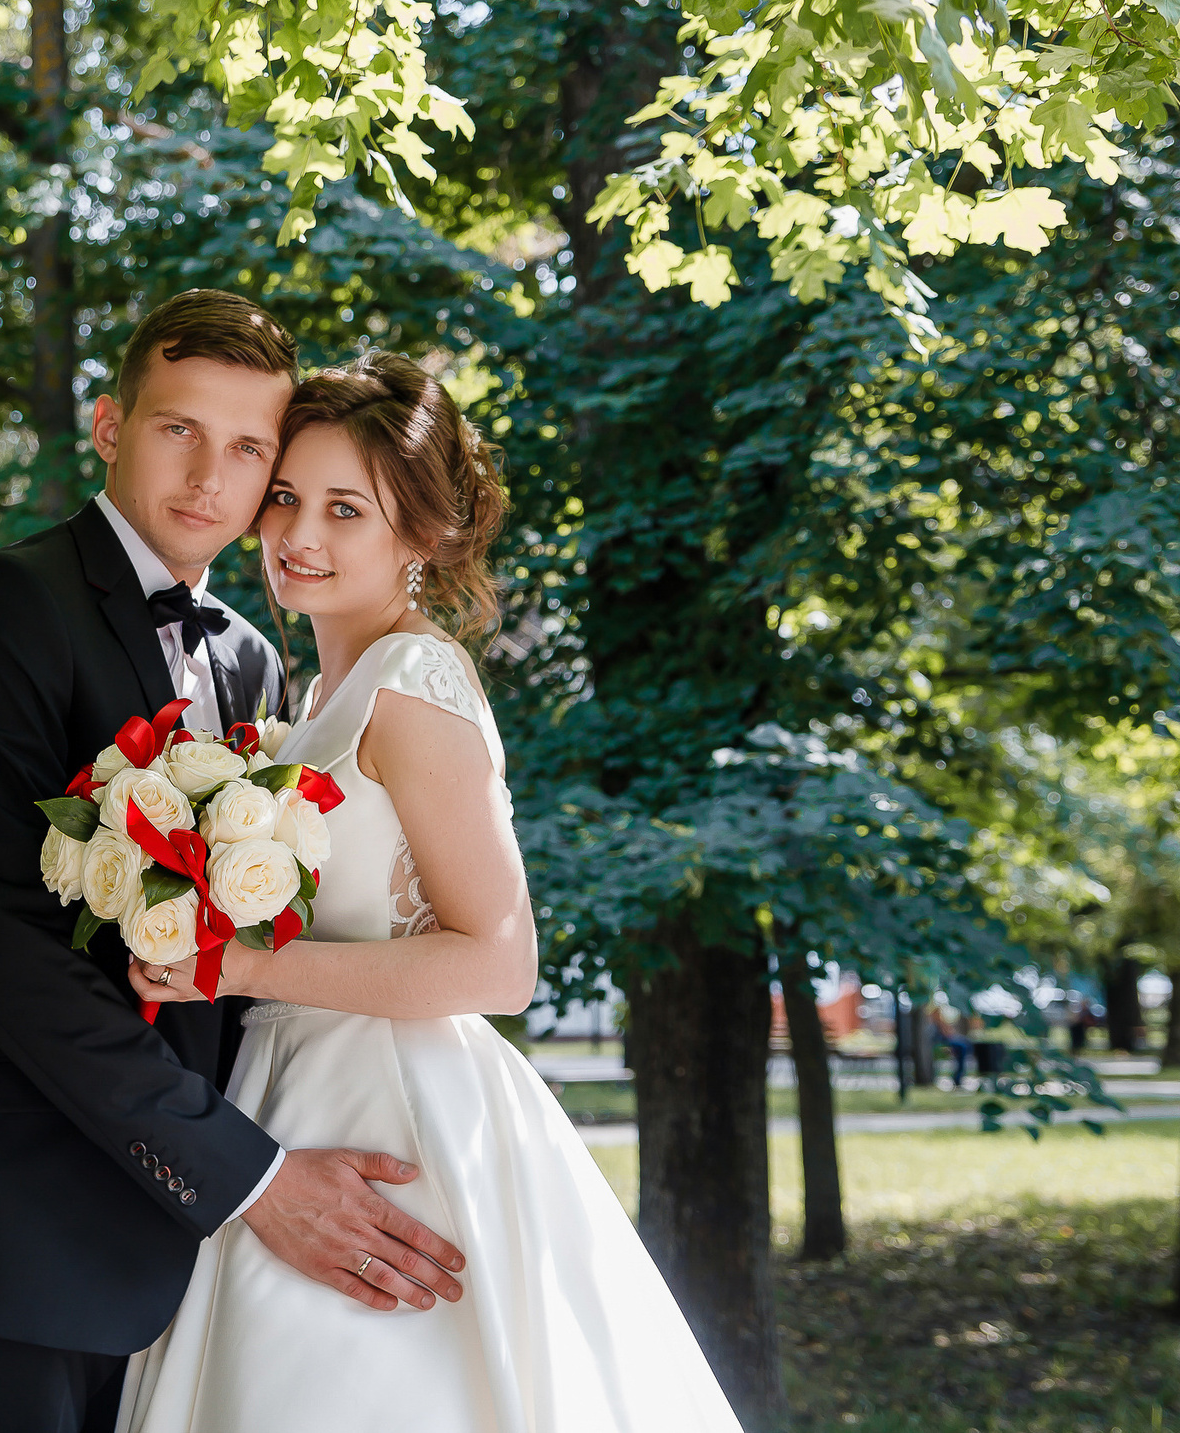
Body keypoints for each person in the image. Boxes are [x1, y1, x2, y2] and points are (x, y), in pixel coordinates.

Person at [0, 293, 468, 1433]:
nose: (210, 476)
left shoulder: (251, 657)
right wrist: (252, 1177)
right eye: (177, 429)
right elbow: (8, 958)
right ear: (109, 425)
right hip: (9, 1240)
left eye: (249, 449)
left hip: (193, 1258)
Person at [118, 352, 744, 1433]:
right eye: (285, 499)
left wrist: (234, 965)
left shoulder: (412, 688)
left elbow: (499, 963)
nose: (297, 536)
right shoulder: (314, 695)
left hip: (393, 1106)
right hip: (283, 1091)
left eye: (345, 509)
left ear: (419, 534)